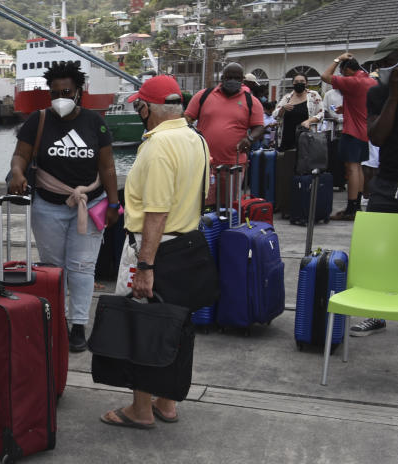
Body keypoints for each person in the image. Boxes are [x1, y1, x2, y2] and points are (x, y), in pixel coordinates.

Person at [101, 75, 209, 429]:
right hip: (187, 244)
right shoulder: (197, 139)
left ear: (146, 108)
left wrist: (145, 264)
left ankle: (141, 409)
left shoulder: (158, 145)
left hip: (153, 247)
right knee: (176, 325)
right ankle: (168, 402)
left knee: (142, 326)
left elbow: (156, 211)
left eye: (138, 107)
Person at [7, 60, 121, 352]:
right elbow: (20, 156)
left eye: (67, 92)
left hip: (89, 203)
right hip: (48, 206)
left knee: (82, 268)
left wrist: (114, 203)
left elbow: (108, 167)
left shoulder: (95, 122)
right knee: (53, 269)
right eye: (55, 93)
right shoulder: (38, 120)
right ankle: (55, 320)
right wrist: (18, 172)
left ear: (79, 93)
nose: (61, 99)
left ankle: (79, 324)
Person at [348, 35, 398, 338]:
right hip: (386, 182)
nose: (384, 68)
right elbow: (376, 136)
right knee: (377, 251)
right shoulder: (379, 93)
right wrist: (395, 96)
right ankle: (376, 313)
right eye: (382, 63)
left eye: (390, 62)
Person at [185, 62, 264, 205]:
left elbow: (259, 127)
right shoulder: (203, 95)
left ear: (242, 80)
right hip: (205, 163)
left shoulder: (251, 101)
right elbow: (187, 119)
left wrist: (249, 139)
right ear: (222, 78)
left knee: (229, 207)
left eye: (237, 78)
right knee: (204, 205)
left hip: (234, 164)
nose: (233, 81)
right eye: (229, 77)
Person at [321, 54, 377, 220]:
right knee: (358, 167)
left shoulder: (353, 81)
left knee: (351, 169)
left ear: (347, 70)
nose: (343, 76)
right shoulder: (370, 81)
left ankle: (351, 209)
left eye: (343, 72)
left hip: (352, 131)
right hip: (365, 131)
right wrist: (345, 109)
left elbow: (325, 76)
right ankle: (356, 206)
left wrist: (338, 59)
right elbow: (362, 104)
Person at [272, 73, 324, 151]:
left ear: (306, 83)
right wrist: (283, 109)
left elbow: (321, 113)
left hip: (306, 138)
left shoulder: (313, 95)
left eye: (302, 81)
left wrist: (309, 121)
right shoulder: (287, 98)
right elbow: (275, 115)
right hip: (287, 138)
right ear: (293, 83)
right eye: (296, 82)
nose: (299, 83)